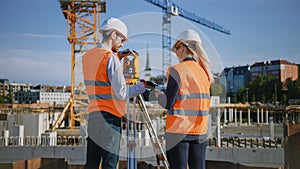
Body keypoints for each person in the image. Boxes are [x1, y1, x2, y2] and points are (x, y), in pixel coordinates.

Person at [82, 17, 146, 169]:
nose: (122, 44)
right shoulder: (111, 59)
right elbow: (122, 93)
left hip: (94, 116)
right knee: (110, 163)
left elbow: (100, 74)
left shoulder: (88, 57)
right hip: (110, 118)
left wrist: (118, 57)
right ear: (113, 35)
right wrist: (141, 87)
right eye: (122, 39)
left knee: (91, 162)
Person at [155, 29, 214, 169]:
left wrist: (157, 95)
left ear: (182, 47)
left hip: (178, 131)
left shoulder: (177, 69)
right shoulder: (205, 73)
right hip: (200, 130)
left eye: (176, 48)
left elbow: (168, 102)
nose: (175, 52)